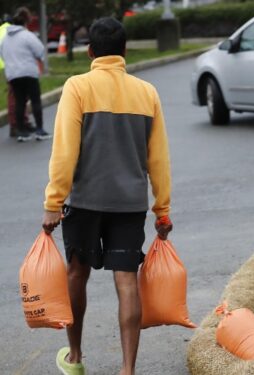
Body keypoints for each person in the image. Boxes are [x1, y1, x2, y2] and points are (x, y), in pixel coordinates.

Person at [41, 17, 172, 375]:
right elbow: (157, 157)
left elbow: (65, 151)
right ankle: (127, 369)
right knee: (127, 280)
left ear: (90, 52)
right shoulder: (146, 93)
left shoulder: (78, 87)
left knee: (75, 274)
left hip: (83, 201)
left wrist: (54, 202)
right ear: (125, 51)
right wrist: (162, 209)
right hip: (130, 203)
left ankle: (75, 357)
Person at [0, 7, 49, 142]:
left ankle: (21, 131)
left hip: (13, 74)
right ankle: (40, 130)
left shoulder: (5, 39)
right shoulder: (27, 35)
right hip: (29, 72)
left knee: (19, 102)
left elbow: (2, 54)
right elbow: (40, 51)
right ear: (26, 21)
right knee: (35, 101)